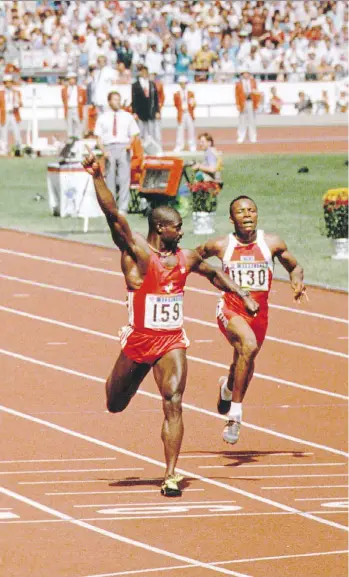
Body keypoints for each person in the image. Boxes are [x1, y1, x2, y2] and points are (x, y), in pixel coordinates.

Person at [82, 152, 259, 497]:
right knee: (115, 403)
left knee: (174, 400)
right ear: (161, 228)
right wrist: (97, 176)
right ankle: (125, 391)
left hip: (171, 342)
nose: (182, 231)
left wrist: (244, 296)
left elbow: (215, 274)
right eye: (177, 226)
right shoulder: (138, 254)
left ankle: (171, 475)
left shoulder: (186, 257)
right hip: (138, 341)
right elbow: (113, 215)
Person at [196, 196, 305, 445]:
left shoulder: (272, 243)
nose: (247, 215)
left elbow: (295, 266)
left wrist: (296, 280)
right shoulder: (221, 245)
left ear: (257, 215)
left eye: (252, 211)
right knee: (248, 345)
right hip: (230, 309)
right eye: (241, 212)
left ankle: (227, 387)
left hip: (259, 314)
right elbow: (192, 259)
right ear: (231, 218)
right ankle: (235, 417)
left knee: (244, 359)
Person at [94, 90, 140, 214]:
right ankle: (111, 207)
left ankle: (123, 207)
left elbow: (134, 133)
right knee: (110, 178)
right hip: (109, 147)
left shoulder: (127, 116)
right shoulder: (103, 117)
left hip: (123, 147)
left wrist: (129, 145)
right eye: (114, 99)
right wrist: (103, 151)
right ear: (109, 102)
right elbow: (98, 137)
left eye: (119, 99)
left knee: (124, 178)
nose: (117, 102)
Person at [131, 64, 160, 143]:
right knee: (141, 132)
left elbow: (156, 99)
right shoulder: (135, 85)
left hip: (150, 111)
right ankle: (141, 148)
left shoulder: (151, 84)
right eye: (142, 72)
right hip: (140, 111)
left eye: (145, 72)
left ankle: (154, 148)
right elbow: (134, 99)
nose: (144, 74)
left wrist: (157, 111)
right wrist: (134, 112)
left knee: (152, 132)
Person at [235, 70, 260, 143]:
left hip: (251, 101)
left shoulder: (253, 82)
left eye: (247, 73)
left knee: (252, 120)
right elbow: (236, 95)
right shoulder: (239, 83)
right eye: (244, 74)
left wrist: (256, 102)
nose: (246, 75)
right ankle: (241, 137)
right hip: (243, 102)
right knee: (242, 120)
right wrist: (237, 104)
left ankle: (253, 137)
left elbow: (256, 91)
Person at [0, 73, 22, 155]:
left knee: (16, 131)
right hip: (4, 114)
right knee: (3, 132)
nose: (9, 84)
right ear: (4, 83)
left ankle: (18, 149)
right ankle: (4, 149)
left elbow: (20, 104)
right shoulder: (1, 93)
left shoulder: (16, 92)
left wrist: (18, 103)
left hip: (13, 113)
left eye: (10, 82)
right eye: (7, 82)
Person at [173, 75, 196, 153]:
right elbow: (176, 104)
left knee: (191, 129)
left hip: (189, 112)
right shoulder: (176, 94)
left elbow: (193, 103)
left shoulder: (191, 93)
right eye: (181, 83)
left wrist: (191, 107)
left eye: (184, 83)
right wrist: (181, 110)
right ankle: (179, 146)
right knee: (180, 130)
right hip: (181, 113)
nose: (183, 85)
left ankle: (192, 145)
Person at [61, 72, 86, 139]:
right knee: (69, 125)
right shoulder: (64, 90)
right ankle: (70, 139)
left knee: (78, 124)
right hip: (69, 109)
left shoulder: (81, 89)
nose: (72, 80)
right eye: (70, 79)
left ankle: (78, 138)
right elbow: (64, 99)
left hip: (77, 108)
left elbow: (84, 100)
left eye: (73, 79)